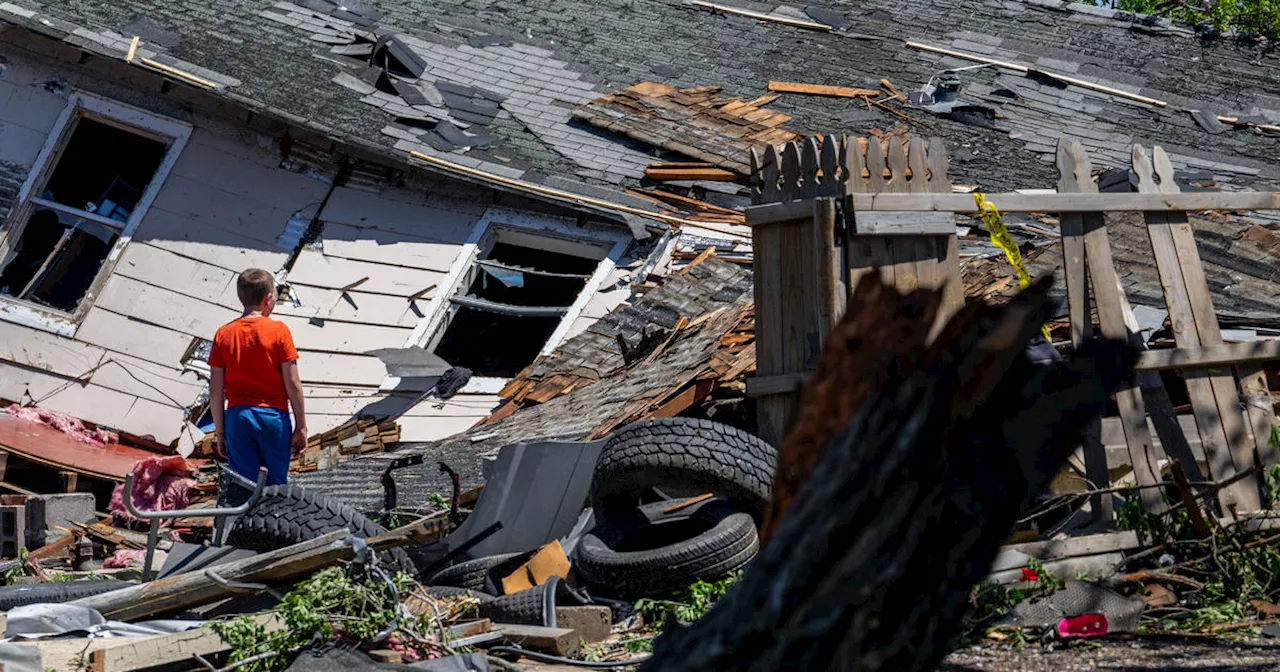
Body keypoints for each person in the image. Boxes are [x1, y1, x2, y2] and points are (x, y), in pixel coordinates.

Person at [208, 268, 307, 486]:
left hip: (238, 416)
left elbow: (215, 390)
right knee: (276, 487)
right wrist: (301, 426)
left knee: (244, 486)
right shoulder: (280, 331)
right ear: (268, 298)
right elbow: (293, 383)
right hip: (274, 417)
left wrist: (221, 433)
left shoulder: (223, 334)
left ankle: (244, 520)